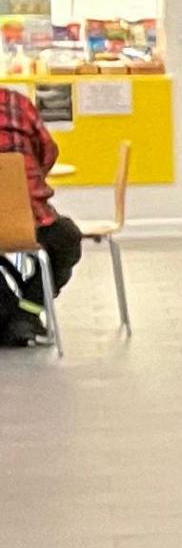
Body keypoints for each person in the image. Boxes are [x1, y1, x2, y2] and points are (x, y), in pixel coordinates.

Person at [0, 80, 77, 348]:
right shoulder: (15, 104)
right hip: (31, 219)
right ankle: (27, 313)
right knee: (65, 239)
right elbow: (48, 151)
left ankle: (10, 313)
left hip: (25, 218)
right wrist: (26, 184)